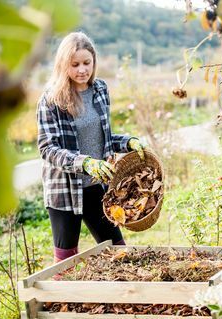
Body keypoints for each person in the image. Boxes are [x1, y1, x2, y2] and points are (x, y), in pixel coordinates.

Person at [36, 32, 145, 264]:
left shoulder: (100, 90)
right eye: (74, 64)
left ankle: (120, 298)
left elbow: (102, 137)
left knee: (119, 252)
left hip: (98, 187)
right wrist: (85, 163)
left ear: (94, 62)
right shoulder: (51, 100)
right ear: (63, 64)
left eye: (87, 63)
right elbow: (47, 148)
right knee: (66, 261)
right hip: (65, 191)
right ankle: (60, 300)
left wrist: (128, 142)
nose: (82, 70)